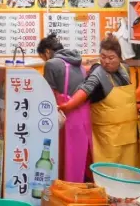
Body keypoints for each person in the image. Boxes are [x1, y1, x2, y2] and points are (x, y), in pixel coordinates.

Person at [58, 35, 140, 168]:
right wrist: (67, 105)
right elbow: (85, 90)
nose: (106, 61)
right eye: (103, 56)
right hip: (107, 140)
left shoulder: (126, 70)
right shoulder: (98, 73)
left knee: (129, 175)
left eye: (111, 57)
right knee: (108, 175)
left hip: (129, 137)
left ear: (120, 58)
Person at [37, 33, 91, 182]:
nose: (44, 61)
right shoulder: (78, 63)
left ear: (47, 52)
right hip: (83, 117)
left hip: (64, 115)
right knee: (77, 159)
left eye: (42, 57)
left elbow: (48, 93)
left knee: (63, 157)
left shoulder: (52, 64)